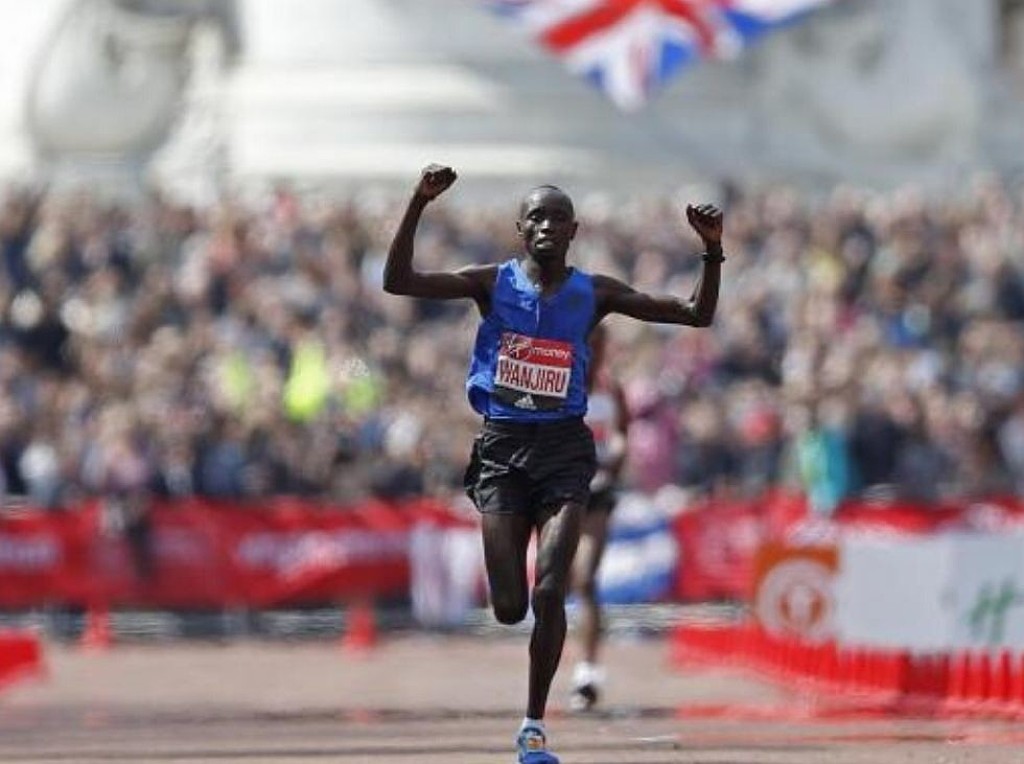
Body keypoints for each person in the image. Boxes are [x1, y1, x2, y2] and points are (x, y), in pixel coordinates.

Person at [384, 164, 723, 764]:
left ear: (573, 231)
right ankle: (530, 679)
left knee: (551, 589)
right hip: (502, 451)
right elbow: (398, 280)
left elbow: (695, 313)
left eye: (557, 218)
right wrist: (418, 201)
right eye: (536, 217)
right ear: (520, 229)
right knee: (510, 606)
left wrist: (712, 250)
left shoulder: (595, 293)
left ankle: (534, 725)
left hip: (566, 451)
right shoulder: (491, 283)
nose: (546, 225)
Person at [568, 322, 630, 713]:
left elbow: (623, 433)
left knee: (586, 579)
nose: (593, 352)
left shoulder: (611, 389)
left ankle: (588, 671)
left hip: (597, 493)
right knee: (555, 582)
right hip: (560, 493)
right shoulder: (559, 384)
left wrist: (617, 454)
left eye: (598, 344)